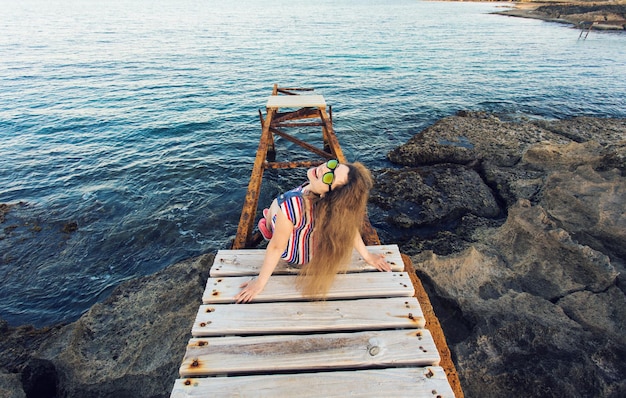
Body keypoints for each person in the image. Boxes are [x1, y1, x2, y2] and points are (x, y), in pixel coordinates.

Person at [235, 159, 390, 304]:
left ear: (326, 194)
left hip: (295, 259)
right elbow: (351, 231)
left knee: (277, 203)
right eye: (332, 164)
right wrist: (368, 256)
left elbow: (276, 248)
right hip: (316, 255)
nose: (324, 169)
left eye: (330, 178)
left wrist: (259, 284)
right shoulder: (337, 212)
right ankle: (274, 222)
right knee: (285, 205)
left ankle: (268, 228)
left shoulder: (292, 204)